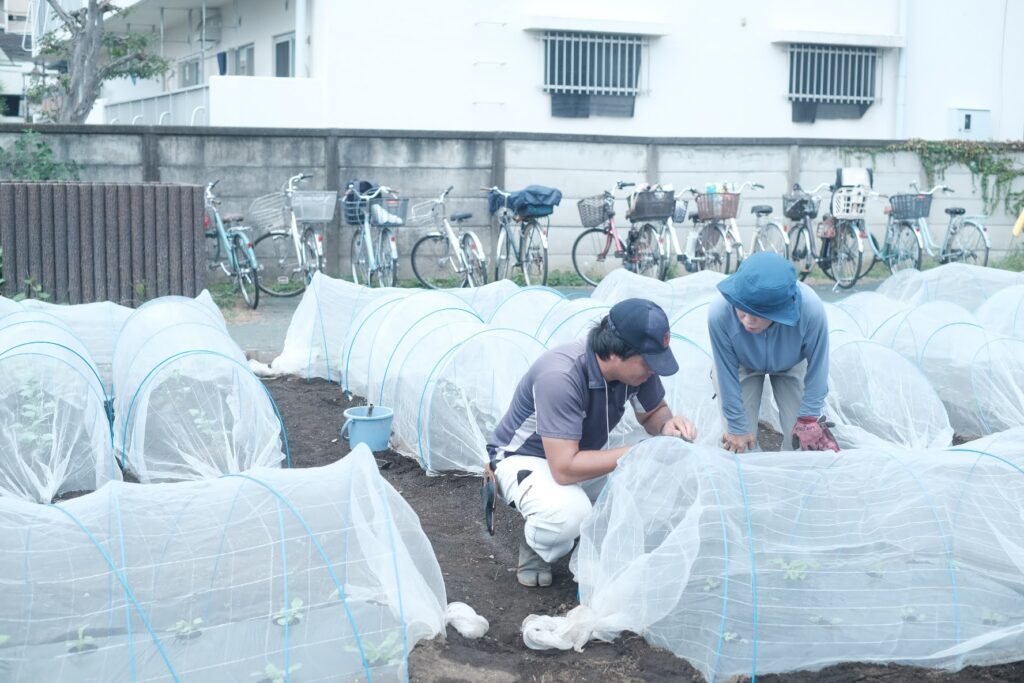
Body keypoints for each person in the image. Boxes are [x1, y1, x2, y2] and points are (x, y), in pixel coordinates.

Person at [485, 298, 697, 588]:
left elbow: (653, 412)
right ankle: (538, 545)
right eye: (648, 362)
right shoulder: (561, 376)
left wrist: (667, 426)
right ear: (615, 353)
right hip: (526, 459)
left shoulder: (637, 373)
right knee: (568, 514)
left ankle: (593, 532)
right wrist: (637, 452)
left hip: (579, 455)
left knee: (663, 463)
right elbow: (563, 469)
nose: (653, 370)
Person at [707, 251, 838, 454]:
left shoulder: (810, 309)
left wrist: (809, 417)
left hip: (792, 362)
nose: (748, 320)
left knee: (803, 443)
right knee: (740, 446)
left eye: (758, 314)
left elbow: (818, 365)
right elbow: (725, 372)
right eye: (742, 309)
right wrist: (737, 426)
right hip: (741, 364)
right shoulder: (720, 313)